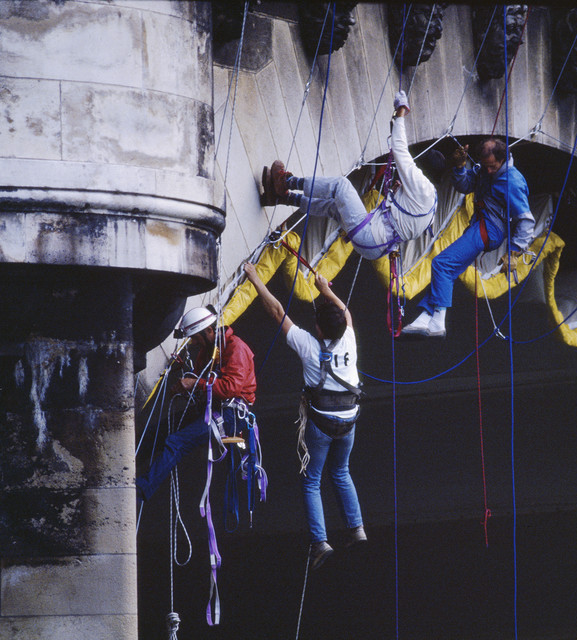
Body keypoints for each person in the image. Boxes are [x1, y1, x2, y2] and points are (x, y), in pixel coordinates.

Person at [242, 263, 366, 569]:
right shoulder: (349, 338)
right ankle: (357, 528)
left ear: (320, 329)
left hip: (322, 422)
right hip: (348, 419)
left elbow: (277, 313)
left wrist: (255, 278)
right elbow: (345, 313)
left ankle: (319, 542)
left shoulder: (309, 346)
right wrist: (326, 290)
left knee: (312, 481)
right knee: (341, 472)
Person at [260, 90, 445, 260]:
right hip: (375, 248)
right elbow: (404, 222)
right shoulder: (432, 206)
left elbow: (400, 150)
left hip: (369, 235)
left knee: (341, 186)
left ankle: (286, 183)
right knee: (333, 208)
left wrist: (401, 113)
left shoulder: (422, 186)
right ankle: (283, 199)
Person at [402, 137, 534, 337]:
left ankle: (438, 322)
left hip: (489, 230)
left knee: (441, 263)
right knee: (448, 270)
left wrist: (513, 252)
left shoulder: (512, 182)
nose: (488, 171)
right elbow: (465, 186)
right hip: (479, 227)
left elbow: (526, 221)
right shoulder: (484, 169)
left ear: (503, 159)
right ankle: (425, 316)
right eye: (485, 166)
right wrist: (460, 166)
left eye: (492, 167)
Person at [136, 306, 257, 501]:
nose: (193, 342)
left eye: (195, 337)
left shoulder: (236, 348)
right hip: (213, 408)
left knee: (176, 442)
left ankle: (140, 490)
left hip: (231, 416)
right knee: (157, 431)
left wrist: (194, 383)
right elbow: (202, 380)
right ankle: (126, 468)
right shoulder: (206, 351)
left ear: (209, 331)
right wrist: (185, 376)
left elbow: (229, 388)